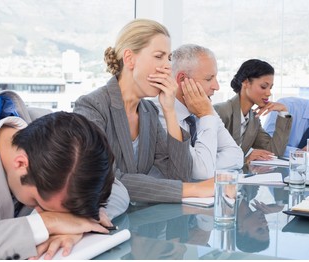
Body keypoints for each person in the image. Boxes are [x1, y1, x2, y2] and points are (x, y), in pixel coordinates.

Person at [73, 19, 214, 202]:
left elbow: (180, 175)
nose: (167, 67)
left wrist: (170, 110)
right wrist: (194, 189)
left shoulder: (149, 112)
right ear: (130, 59)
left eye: (168, 58)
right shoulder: (91, 107)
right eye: (158, 56)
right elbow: (106, 180)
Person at [0, 90, 130, 260]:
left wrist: (82, 220)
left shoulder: (62, 135)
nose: (43, 212)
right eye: (39, 203)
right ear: (21, 163)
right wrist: (49, 223)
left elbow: (118, 190)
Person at [153, 44, 244, 180]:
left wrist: (204, 163)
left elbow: (237, 156)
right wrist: (206, 116)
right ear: (182, 79)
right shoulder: (159, 112)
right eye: (209, 79)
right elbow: (201, 172)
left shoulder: (206, 108)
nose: (216, 86)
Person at [214, 59, 292, 163]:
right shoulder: (220, 111)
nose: (268, 93)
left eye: (270, 88)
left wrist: (283, 112)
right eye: (263, 86)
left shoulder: (253, 120)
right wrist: (245, 159)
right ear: (246, 83)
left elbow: (274, 152)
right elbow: (206, 158)